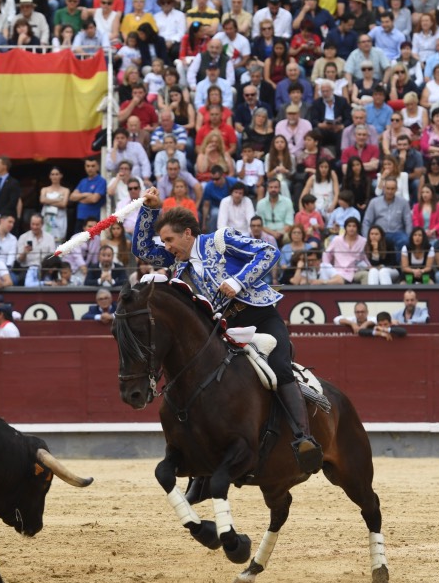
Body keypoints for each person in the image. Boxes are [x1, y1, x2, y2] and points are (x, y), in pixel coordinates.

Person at [131, 188, 322, 473]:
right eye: (164, 242)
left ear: (187, 233)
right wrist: (150, 210)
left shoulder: (220, 240)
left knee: (279, 366)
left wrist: (238, 281)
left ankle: (303, 438)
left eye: (169, 240)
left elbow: (269, 252)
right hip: (223, 327)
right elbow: (142, 250)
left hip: (259, 316)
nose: (166, 247)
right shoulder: (177, 261)